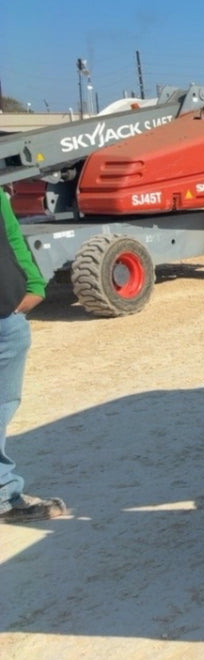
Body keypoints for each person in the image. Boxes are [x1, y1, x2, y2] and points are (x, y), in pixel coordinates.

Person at [0, 187, 65, 524]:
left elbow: (11, 236)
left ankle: (2, 496)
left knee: (1, 408)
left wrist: (34, 284)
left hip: (7, 322)